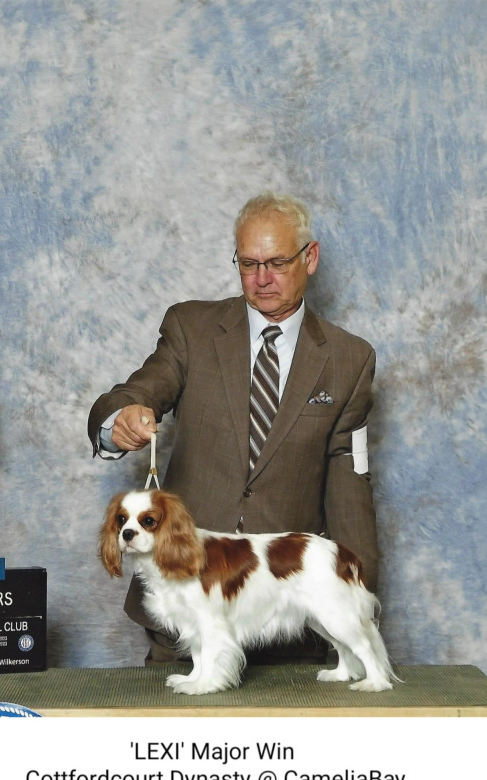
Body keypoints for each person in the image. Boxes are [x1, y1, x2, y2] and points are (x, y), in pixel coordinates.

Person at [89, 193, 378, 665]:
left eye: (277, 263)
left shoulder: (350, 360)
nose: (261, 279)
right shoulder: (191, 328)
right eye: (248, 264)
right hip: (185, 603)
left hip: (286, 613)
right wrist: (119, 418)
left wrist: (358, 598)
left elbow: (351, 493)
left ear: (310, 258)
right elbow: (137, 391)